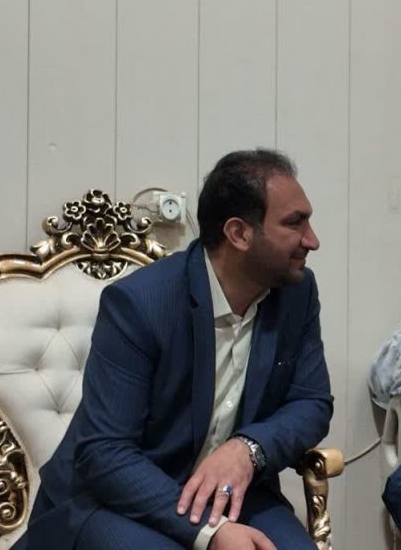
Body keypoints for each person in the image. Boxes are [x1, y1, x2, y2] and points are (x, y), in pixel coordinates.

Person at [22, 148, 332, 550]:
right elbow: (105, 453)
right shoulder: (140, 304)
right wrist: (211, 534)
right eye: (294, 223)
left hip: (233, 496)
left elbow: (311, 402)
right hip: (113, 501)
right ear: (238, 234)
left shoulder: (296, 294)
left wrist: (248, 449)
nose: (313, 240)